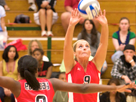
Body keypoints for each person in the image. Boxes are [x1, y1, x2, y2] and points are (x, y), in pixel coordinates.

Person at [0, 55, 135, 102]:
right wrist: (115, 87)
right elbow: (84, 87)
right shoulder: (51, 83)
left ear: (19, 71)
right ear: (37, 70)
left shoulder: (16, 85)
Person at [63, 8, 108, 102]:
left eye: (87, 46)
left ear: (90, 52)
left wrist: (104, 25)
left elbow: (103, 44)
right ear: (74, 53)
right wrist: (71, 26)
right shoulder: (71, 66)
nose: (84, 48)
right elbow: (67, 46)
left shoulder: (96, 65)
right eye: (80, 46)